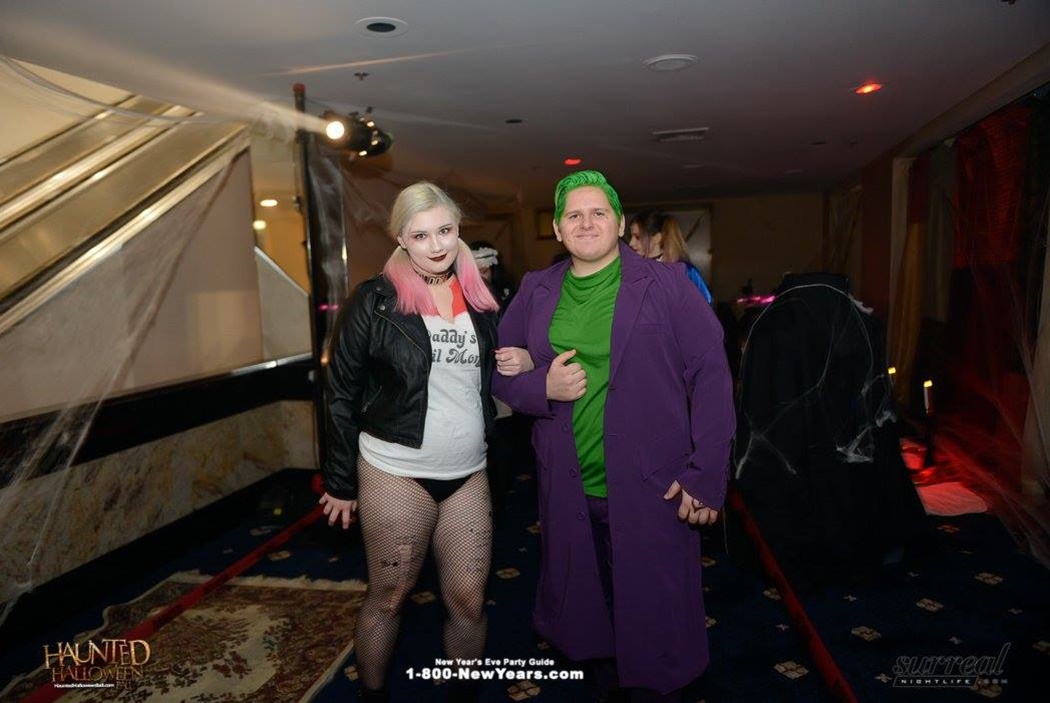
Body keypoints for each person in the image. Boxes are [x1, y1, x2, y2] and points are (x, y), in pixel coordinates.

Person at [492, 171, 735, 702]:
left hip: (654, 483)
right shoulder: (536, 289)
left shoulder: (667, 284)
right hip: (567, 481)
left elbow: (712, 377)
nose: (587, 223)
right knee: (587, 607)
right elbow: (500, 372)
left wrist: (707, 474)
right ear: (559, 229)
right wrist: (541, 386)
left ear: (620, 223)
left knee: (656, 610)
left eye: (599, 212)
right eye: (574, 215)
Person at [320, 182, 502, 703]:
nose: (437, 245)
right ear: (400, 238)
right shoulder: (375, 301)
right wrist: (339, 482)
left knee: (468, 602)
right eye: (421, 235)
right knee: (389, 597)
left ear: (458, 228)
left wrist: (524, 362)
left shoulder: (480, 299)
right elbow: (340, 394)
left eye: (445, 230)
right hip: (395, 471)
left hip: (469, 471)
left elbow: (486, 377)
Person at [628, 210, 714, 303]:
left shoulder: (685, 271)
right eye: (631, 237)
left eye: (637, 237)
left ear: (657, 238)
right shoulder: (635, 272)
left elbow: (706, 302)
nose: (631, 243)